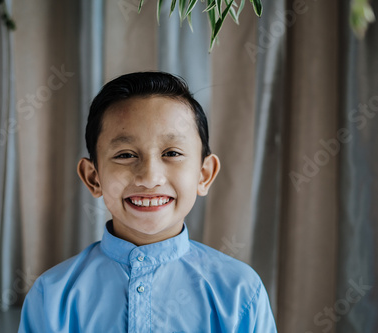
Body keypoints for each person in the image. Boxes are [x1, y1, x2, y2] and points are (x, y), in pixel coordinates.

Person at [18, 71, 277, 332]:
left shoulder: (241, 292)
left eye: (172, 153)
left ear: (204, 174)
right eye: (126, 154)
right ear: (93, 178)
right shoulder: (51, 296)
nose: (150, 177)